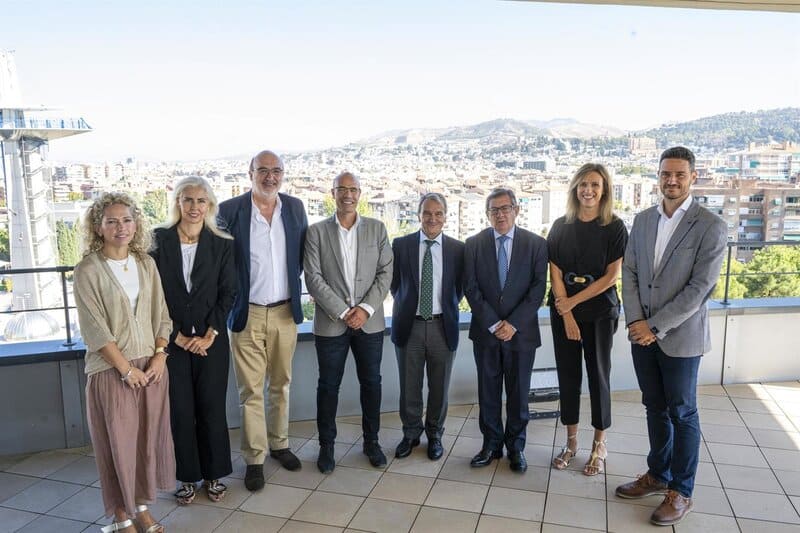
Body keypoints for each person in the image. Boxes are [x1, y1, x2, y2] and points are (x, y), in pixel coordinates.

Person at [616, 146, 726, 526]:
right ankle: (657, 474)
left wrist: (655, 325)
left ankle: (681, 490)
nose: (672, 181)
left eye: (680, 174)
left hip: (680, 339)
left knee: (682, 412)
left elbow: (700, 289)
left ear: (693, 177)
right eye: (666, 174)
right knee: (654, 406)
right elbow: (628, 272)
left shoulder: (710, 225)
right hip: (640, 333)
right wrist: (635, 322)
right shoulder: (644, 220)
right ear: (658, 176)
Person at [73, 192, 174, 533]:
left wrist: (160, 355)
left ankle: (142, 507)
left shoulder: (145, 263)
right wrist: (126, 370)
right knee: (116, 446)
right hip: (112, 372)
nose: (121, 227)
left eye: (127, 220)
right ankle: (120, 516)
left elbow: (161, 314)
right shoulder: (88, 269)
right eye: (112, 221)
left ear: (137, 224)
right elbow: (95, 329)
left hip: (152, 368)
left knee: (145, 443)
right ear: (98, 227)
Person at [217, 150, 309, 491]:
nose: (270, 177)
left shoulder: (296, 208)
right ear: (250, 172)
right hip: (248, 311)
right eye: (263, 171)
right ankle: (255, 458)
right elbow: (221, 263)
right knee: (250, 390)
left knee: (281, 383)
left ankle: (279, 444)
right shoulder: (229, 211)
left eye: (276, 171)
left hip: (286, 311)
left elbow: (300, 257)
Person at [150, 176, 237, 504]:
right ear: (177, 203)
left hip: (211, 342)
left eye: (201, 201)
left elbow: (229, 292)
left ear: (210, 205)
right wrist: (177, 336)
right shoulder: (158, 241)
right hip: (171, 343)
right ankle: (187, 477)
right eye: (188, 200)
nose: (194, 207)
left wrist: (210, 334)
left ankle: (214, 474)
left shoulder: (223, 243)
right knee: (180, 411)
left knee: (212, 409)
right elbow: (152, 295)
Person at [304, 171, 393, 473]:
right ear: (332, 193)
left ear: (360, 193)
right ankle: (326, 447)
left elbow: (386, 274)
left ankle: (372, 442)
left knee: (372, 384)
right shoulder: (316, 232)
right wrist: (344, 312)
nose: (348, 195)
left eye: (353, 189)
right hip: (332, 324)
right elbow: (313, 278)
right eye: (342, 189)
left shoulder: (378, 229)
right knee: (328, 386)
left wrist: (365, 309)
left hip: (370, 323)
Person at [548, 164, 628, 476]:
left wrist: (572, 302)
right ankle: (571, 444)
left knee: (599, 377)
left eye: (595, 185)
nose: (588, 190)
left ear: (605, 189)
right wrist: (566, 313)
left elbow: (611, 277)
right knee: (568, 378)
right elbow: (554, 271)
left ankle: (599, 445)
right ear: (574, 189)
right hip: (563, 311)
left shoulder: (615, 227)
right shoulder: (560, 226)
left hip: (599, 312)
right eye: (583, 184)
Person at [464, 188, 548, 473]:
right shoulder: (473, 244)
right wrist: (493, 323)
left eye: (505, 208)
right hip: (486, 334)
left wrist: (512, 324)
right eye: (494, 210)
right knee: (488, 392)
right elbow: (471, 289)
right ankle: (490, 445)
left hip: (521, 334)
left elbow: (538, 289)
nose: (500, 214)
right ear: (487, 214)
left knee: (518, 394)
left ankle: (516, 448)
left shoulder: (536, 244)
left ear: (516, 210)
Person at [390, 193, 464, 461]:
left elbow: (459, 289)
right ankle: (410, 434)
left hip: (442, 327)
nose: (432, 218)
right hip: (409, 326)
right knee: (409, 386)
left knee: (439, 388)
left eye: (438, 213)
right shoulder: (401, 245)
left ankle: (435, 435)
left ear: (445, 216)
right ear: (418, 215)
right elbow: (395, 284)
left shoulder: (458, 249)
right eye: (427, 213)